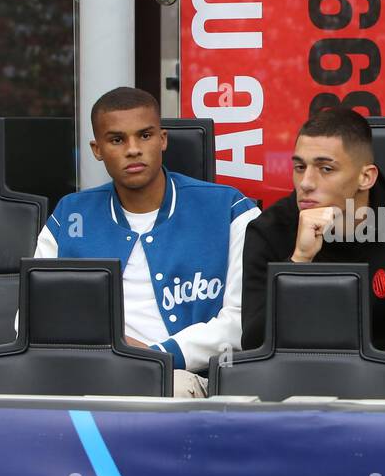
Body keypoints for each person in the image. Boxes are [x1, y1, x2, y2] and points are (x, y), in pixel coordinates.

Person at [34, 87, 258, 397]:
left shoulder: (229, 209)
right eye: (117, 140)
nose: (133, 149)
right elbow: (32, 316)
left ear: (163, 139)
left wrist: (153, 357)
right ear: (96, 149)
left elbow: (243, 320)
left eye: (145, 135)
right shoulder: (71, 215)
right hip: (88, 371)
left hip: (183, 375)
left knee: (169, 391)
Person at [241, 108, 385, 399]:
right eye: (300, 167)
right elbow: (254, 344)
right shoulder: (269, 229)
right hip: (293, 379)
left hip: (384, 379)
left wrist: (344, 381)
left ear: (366, 177)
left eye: (325, 169)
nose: (306, 183)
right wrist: (299, 262)